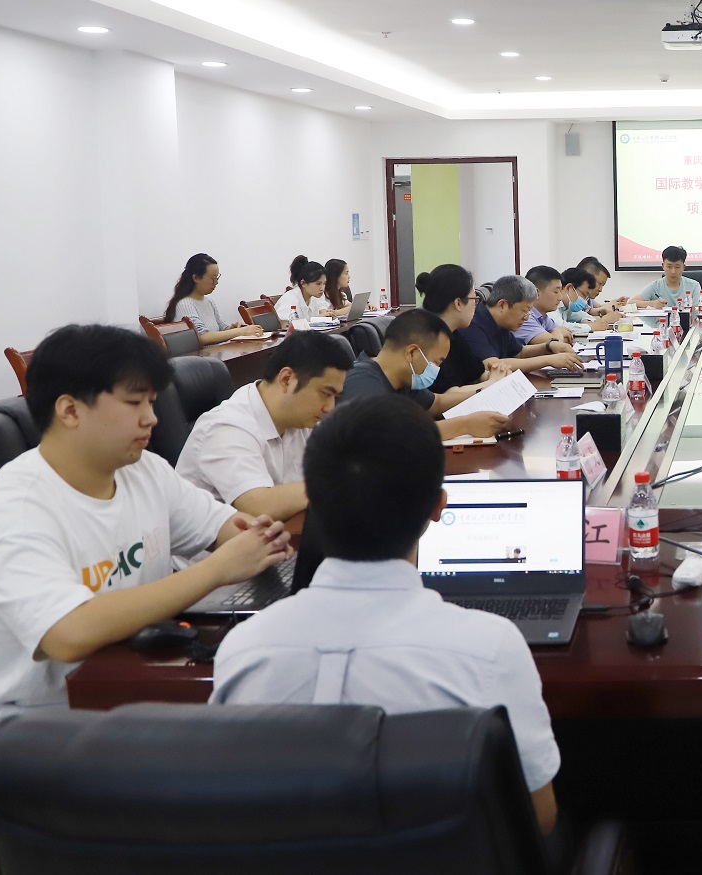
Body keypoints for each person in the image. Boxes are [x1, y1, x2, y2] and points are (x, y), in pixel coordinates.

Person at [210, 393, 561, 835]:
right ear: (438, 506)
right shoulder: (489, 648)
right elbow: (537, 818)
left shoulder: (243, 651)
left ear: (312, 499)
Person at [0, 325, 292, 741]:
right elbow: (68, 634)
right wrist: (216, 570)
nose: (151, 418)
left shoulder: (144, 469)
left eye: (152, 402)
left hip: (128, 683)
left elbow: (223, 528)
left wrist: (257, 538)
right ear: (70, 411)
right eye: (134, 403)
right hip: (30, 726)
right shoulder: (15, 507)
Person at [176, 331, 350, 520]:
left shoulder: (300, 418)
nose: (330, 407)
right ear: (286, 379)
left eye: (335, 397)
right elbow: (258, 506)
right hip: (223, 538)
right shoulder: (226, 428)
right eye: (326, 394)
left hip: (280, 532)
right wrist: (337, 484)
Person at [338, 309, 517, 444]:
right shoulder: (362, 382)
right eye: (436, 362)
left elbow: (437, 403)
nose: (437, 369)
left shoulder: (401, 378)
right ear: (412, 353)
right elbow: (388, 436)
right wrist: (466, 424)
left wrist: (487, 389)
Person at [460, 275, 584, 378]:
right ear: (502, 305)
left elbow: (520, 353)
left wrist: (549, 346)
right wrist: (549, 360)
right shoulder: (473, 324)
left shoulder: (501, 322)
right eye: (524, 311)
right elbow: (494, 365)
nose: (527, 317)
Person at [162, 253, 263, 345]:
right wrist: (240, 332)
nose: (216, 282)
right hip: (199, 357)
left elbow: (222, 327)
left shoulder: (209, 302)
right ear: (195, 278)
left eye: (217, 278)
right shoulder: (185, 304)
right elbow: (201, 337)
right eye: (212, 278)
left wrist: (233, 327)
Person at [515, 266, 576, 347]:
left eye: (560, 291)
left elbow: (567, 336)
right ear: (536, 293)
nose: (560, 298)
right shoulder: (524, 317)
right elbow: (555, 345)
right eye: (556, 292)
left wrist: (555, 335)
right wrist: (557, 333)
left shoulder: (543, 317)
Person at [632, 246, 702, 308]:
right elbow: (631, 303)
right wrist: (652, 303)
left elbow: (697, 309)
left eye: (677, 267)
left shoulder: (694, 286)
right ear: (663, 266)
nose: (673, 271)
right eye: (669, 266)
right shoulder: (655, 286)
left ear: (683, 267)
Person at [275, 255, 332, 322]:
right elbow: (285, 326)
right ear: (303, 283)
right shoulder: (290, 298)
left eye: (324, 283)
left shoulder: (314, 298)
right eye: (318, 284)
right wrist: (316, 319)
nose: (322, 288)